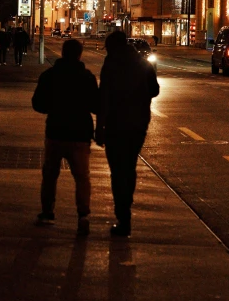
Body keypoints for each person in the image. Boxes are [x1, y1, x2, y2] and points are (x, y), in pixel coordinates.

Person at [32, 38, 99, 235]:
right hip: (80, 134)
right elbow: (96, 105)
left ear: (62, 53)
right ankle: (83, 215)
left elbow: (38, 104)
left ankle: (47, 213)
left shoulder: (49, 75)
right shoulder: (87, 77)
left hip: (56, 131)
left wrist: (53, 107)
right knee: (82, 177)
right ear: (80, 54)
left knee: (50, 175)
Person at [96, 30, 160, 237]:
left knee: (117, 169)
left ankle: (122, 215)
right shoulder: (143, 63)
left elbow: (103, 97)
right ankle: (126, 206)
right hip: (138, 123)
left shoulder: (111, 64)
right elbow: (155, 90)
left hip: (115, 124)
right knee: (129, 165)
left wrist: (99, 128)